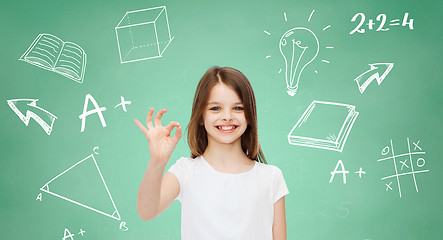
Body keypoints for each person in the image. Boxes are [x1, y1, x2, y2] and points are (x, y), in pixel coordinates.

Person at [135, 66, 289, 240]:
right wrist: (157, 161)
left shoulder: (271, 177)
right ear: (201, 116)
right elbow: (147, 212)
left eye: (238, 108)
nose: (227, 117)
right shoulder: (185, 171)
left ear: (249, 115)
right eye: (215, 108)